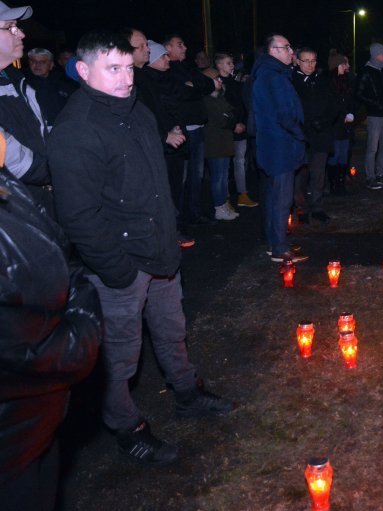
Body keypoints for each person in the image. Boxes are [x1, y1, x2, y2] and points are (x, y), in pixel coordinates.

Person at [48, 30, 236, 466]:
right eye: (112, 69)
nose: (125, 78)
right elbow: (78, 216)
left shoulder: (136, 112)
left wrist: (168, 236)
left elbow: (155, 184)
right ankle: (125, 426)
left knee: (172, 329)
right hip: (120, 265)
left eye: (128, 68)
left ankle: (187, 393)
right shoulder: (75, 130)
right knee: (119, 354)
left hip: (160, 250)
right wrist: (117, 271)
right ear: (82, 71)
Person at [0, 128, 102, 511]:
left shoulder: (7, 187)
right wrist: (82, 332)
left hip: (35, 426)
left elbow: (60, 254)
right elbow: (22, 345)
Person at [124, 29, 194, 248]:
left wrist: (170, 128)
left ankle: (170, 231)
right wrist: (164, 135)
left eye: (147, 45)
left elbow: (158, 109)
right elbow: (135, 118)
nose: (147, 49)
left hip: (163, 141)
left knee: (169, 190)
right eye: (141, 46)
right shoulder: (131, 78)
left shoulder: (144, 76)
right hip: (149, 147)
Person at [251, 33, 309, 263]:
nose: (291, 52)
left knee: (274, 196)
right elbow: (285, 114)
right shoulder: (273, 77)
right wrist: (300, 134)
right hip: (280, 147)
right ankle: (279, 248)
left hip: (273, 145)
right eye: (286, 47)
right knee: (282, 199)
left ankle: (275, 242)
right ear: (273, 50)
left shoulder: (267, 74)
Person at [0, 1, 52, 215]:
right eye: (10, 27)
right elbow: (11, 158)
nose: (20, 34)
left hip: (38, 199)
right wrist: (58, 172)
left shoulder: (15, 78)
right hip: (14, 210)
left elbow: (40, 130)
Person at [164, 34, 216, 225]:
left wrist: (195, 85)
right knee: (183, 177)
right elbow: (181, 93)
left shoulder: (187, 67)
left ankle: (194, 212)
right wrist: (195, 86)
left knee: (198, 175)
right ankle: (180, 217)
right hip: (185, 130)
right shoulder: (168, 70)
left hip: (198, 127)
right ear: (167, 48)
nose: (185, 48)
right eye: (180, 44)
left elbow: (207, 84)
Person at [292, 46, 336, 223]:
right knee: (300, 176)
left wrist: (324, 121)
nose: (310, 65)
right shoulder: (291, 81)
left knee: (318, 174)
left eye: (313, 61)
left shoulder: (323, 80)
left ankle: (317, 206)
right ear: (297, 61)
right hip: (301, 136)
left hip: (321, 134)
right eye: (306, 61)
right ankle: (301, 208)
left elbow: (334, 105)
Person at [215, 52, 258, 208]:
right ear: (219, 65)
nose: (232, 65)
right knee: (224, 166)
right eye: (228, 63)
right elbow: (221, 109)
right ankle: (224, 198)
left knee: (240, 162)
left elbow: (242, 103)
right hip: (227, 130)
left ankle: (242, 194)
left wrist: (243, 122)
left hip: (241, 128)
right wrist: (234, 124)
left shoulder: (235, 83)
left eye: (232, 63)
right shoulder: (217, 84)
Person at [355, 42, 383, 190]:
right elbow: (359, 94)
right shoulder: (367, 71)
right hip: (375, 115)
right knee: (372, 147)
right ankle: (370, 177)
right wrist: (375, 104)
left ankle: (380, 174)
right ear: (376, 55)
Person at [200, 66, 239, 221]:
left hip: (224, 141)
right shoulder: (207, 100)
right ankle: (219, 207)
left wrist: (230, 117)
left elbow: (230, 113)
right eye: (216, 78)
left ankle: (223, 204)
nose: (220, 80)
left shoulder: (219, 97)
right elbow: (221, 119)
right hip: (215, 143)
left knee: (223, 176)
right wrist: (230, 118)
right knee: (218, 177)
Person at [24, 47, 76, 127]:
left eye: (42, 62)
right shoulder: (22, 84)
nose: (37, 65)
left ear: (51, 65)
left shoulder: (65, 83)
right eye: (33, 61)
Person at [327, 52, 355, 195]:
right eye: (345, 63)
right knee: (335, 154)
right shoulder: (329, 83)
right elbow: (331, 105)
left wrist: (351, 113)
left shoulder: (346, 81)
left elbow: (350, 100)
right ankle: (333, 184)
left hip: (345, 126)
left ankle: (340, 182)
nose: (347, 66)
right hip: (335, 126)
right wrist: (341, 115)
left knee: (344, 154)